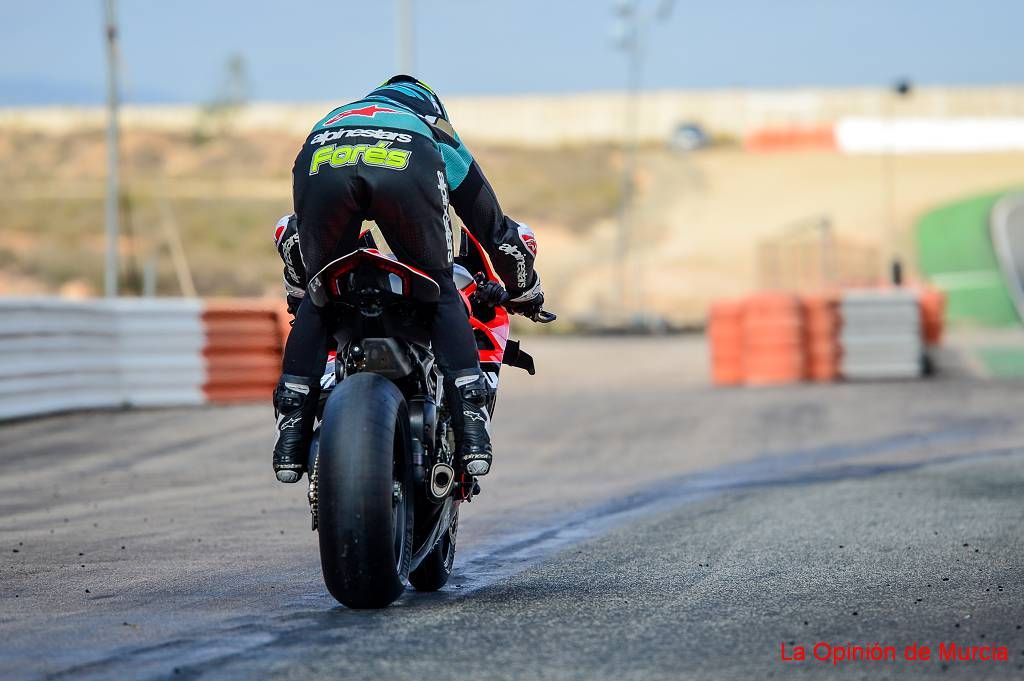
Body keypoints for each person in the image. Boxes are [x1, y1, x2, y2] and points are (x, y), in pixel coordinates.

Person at [271, 75, 544, 484]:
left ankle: (292, 433)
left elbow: (294, 245)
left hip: (318, 162)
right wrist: (527, 292)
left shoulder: (336, 118)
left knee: (320, 293)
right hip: (406, 170)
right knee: (439, 292)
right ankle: (471, 428)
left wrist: (300, 293)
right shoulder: (432, 128)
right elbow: (494, 229)